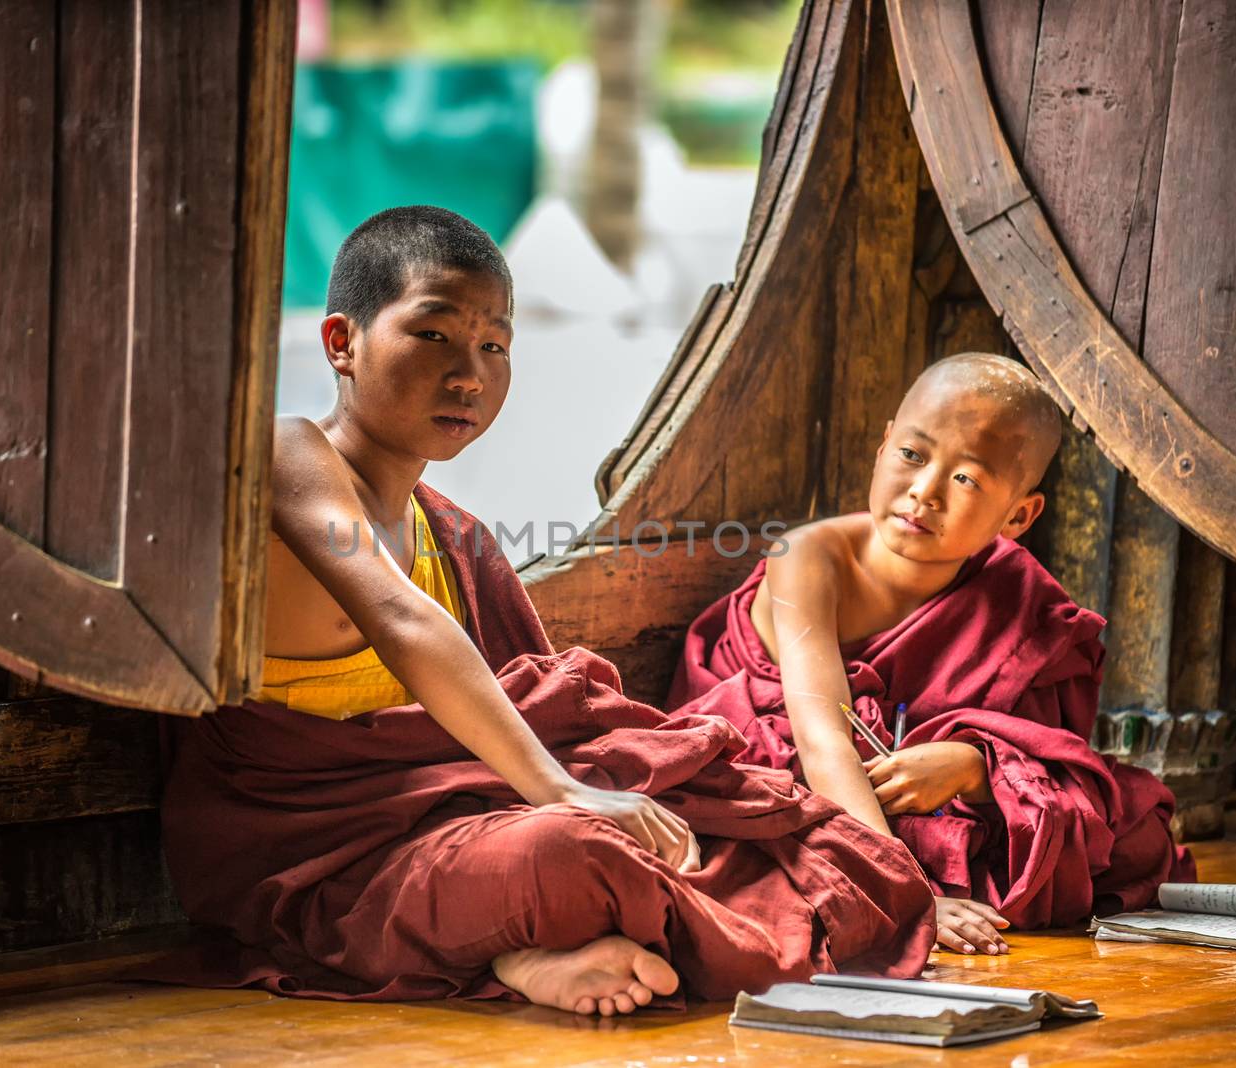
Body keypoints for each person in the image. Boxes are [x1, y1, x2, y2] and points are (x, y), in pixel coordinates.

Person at [157, 206, 934, 1016]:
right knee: (573, 855)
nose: (470, 375)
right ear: (340, 344)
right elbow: (404, 620)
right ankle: (524, 951)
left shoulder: (451, 533)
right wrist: (563, 791)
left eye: (494, 346)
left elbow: (545, 709)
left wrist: (614, 779)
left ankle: (525, 955)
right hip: (325, 860)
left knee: (800, 834)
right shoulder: (289, 455)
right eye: (434, 336)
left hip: (464, 816)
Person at [668, 353, 1194, 957]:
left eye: (966, 478)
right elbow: (822, 741)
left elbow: (1044, 752)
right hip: (807, 776)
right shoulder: (809, 558)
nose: (924, 492)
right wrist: (908, 893)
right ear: (883, 444)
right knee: (753, 845)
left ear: (1018, 515)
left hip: (914, 793)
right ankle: (903, 876)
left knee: (1135, 833)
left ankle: (924, 867)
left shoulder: (1017, 592)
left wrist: (976, 769)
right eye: (912, 456)